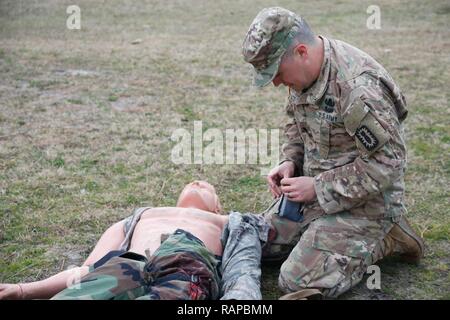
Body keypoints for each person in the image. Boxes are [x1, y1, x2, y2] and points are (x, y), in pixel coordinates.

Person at [242, 7, 425, 299]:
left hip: (367, 205)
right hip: (316, 196)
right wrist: (290, 160)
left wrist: (317, 187)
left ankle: (389, 236)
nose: (275, 82)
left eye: (276, 72)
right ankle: (317, 234)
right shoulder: (305, 74)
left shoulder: (358, 89)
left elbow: (387, 164)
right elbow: (296, 123)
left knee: (295, 282)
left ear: (301, 51)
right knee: (253, 241)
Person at [0, 181, 271, 300]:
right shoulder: (140, 217)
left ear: (217, 207)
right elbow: (87, 271)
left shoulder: (230, 222)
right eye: (190, 182)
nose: (198, 181)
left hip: (184, 266)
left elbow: (242, 275)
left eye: (208, 187)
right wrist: (23, 290)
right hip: (127, 265)